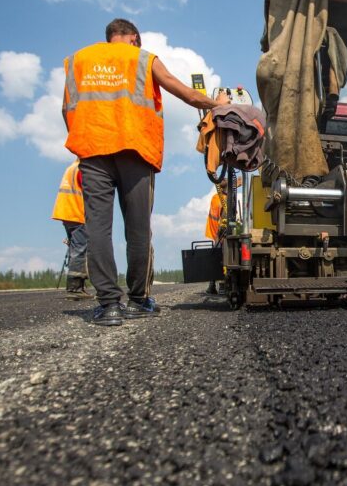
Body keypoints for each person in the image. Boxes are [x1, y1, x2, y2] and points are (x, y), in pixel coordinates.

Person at [63, 18, 229, 326]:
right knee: (138, 229)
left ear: (110, 36)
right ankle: (138, 300)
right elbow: (184, 93)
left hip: (93, 151)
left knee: (98, 228)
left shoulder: (78, 60)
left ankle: (109, 306)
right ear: (134, 38)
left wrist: (86, 141)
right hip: (135, 151)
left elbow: (67, 110)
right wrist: (216, 104)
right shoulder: (142, 58)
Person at [51, 159, 91, 299]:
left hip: (66, 213)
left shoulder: (71, 167)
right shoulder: (82, 168)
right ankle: (75, 289)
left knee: (75, 248)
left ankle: (77, 287)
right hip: (76, 213)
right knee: (80, 249)